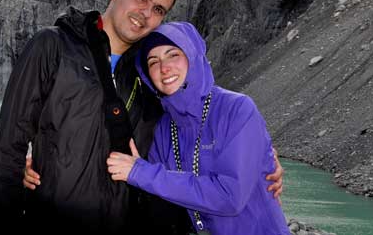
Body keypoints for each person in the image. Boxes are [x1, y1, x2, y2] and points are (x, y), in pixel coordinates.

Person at [0, 0, 283, 235]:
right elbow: (9, 144)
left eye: (158, 9)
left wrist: (261, 158)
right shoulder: (52, 46)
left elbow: (185, 138)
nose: (146, 13)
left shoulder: (148, 78)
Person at [106, 21, 289, 235]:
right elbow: (155, 193)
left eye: (173, 55)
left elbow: (230, 197)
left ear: (193, 56)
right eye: (153, 62)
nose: (164, 68)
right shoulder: (165, 126)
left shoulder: (236, 109)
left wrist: (140, 172)